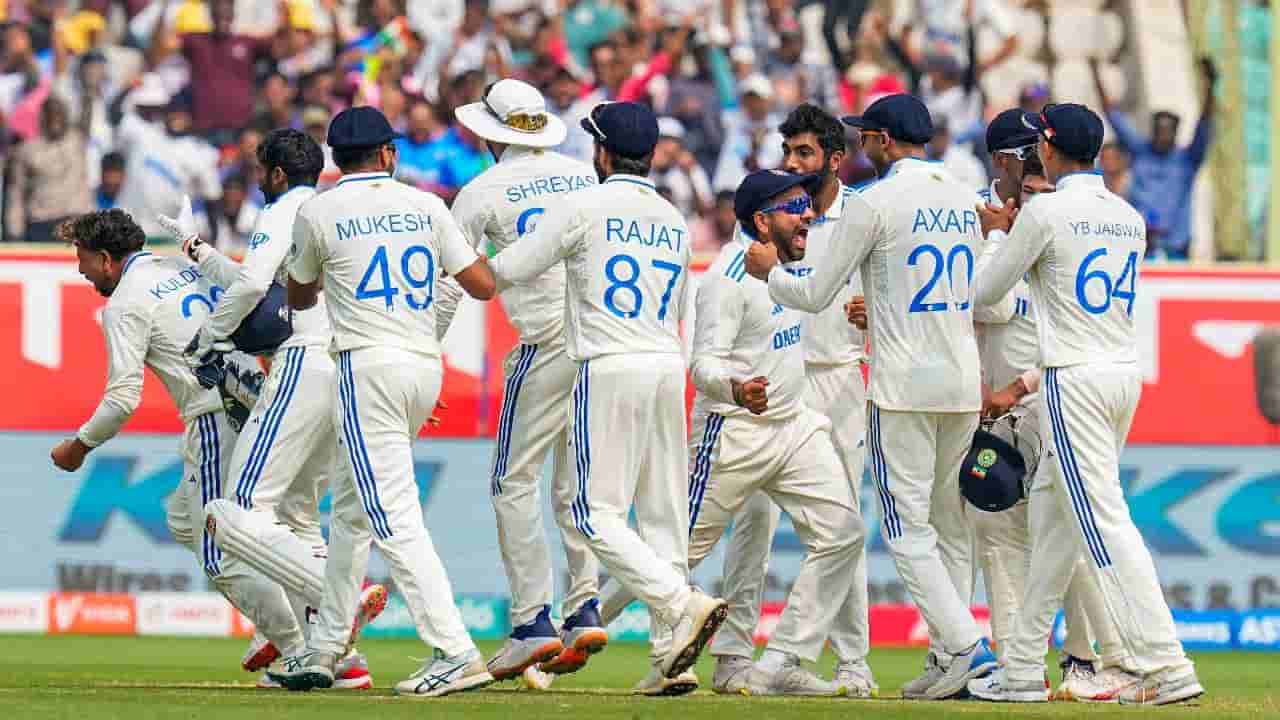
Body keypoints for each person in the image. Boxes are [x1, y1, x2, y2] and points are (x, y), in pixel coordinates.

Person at [744, 93, 996, 701]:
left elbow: (815, 294)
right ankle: (947, 658)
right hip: (962, 382)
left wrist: (769, 272)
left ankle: (967, 649)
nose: (861, 145)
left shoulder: (874, 202)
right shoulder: (963, 196)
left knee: (906, 531)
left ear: (883, 141)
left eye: (866, 136)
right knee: (949, 527)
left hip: (903, 385)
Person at [485, 100, 728, 691]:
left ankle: (680, 603)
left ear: (601, 152)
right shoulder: (671, 217)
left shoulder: (583, 205)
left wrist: (456, 256)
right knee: (664, 516)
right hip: (666, 362)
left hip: (608, 362)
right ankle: (669, 660)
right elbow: (680, 302)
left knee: (591, 513)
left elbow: (509, 269)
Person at [969, 102, 1203, 705]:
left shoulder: (1045, 212)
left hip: (1073, 378)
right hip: (1121, 374)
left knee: (1103, 521)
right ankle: (1022, 669)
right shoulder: (1128, 215)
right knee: (1054, 522)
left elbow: (986, 291)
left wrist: (995, 235)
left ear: (1047, 150)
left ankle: (1165, 664)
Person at [600, 168, 864, 698]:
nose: (809, 215)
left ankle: (782, 660)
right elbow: (702, 365)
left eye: (808, 205)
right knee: (672, 555)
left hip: (793, 426)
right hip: (733, 432)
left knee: (843, 534)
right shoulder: (726, 279)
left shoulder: (791, 267)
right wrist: (737, 388)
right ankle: (578, 629)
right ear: (762, 222)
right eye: (796, 207)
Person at [267, 106, 498, 697]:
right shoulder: (427, 205)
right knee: (351, 512)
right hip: (423, 367)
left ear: (335, 159)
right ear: (389, 154)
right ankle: (326, 646)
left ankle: (455, 649)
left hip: (366, 366)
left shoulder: (319, 210)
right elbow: (481, 285)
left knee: (391, 512)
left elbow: (300, 296)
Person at [159, 129, 386, 691]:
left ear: (278, 174)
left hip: (303, 361)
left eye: (262, 172)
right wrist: (196, 248)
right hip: (352, 365)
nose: (259, 181)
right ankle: (339, 659)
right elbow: (254, 282)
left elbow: (252, 287)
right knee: (299, 516)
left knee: (234, 512)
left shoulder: (284, 210)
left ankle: (338, 599)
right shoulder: (331, 211)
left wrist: (209, 339)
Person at [708, 103, 876, 699]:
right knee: (752, 524)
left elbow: (890, 289)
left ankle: (851, 661)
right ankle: (733, 654)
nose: (792, 163)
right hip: (778, 381)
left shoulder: (863, 214)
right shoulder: (772, 211)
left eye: (804, 153)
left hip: (837, 377)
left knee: (840, 526)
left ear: (835, 159)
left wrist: (875, 314)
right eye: (787, 151)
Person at [449, 79, 604, 688]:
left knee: (512, 483)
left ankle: (531, 620)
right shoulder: (584, 177)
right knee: (575, 486)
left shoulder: (482, 191)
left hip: (543, 344)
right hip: (598, 344)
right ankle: (584, 606)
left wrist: (425, 352)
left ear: (490, 132)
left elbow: (452, 282)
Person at [969, 150, 1135, 703]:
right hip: (1014, 412)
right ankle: (1029, 666)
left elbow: (992, 305)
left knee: (1064, 534)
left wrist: (1014, 389)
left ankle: (1091, 659)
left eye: (1044, 188)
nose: (1038, 197)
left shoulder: (1047, 231)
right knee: (1030, 536)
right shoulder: (1047, 230)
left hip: (1047, 405)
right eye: (1030, 189)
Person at [48, 208, 238, 618]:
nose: (81, 271)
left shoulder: (124, 303)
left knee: (218, 553)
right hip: (258, 405)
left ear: (105, 259)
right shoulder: (180, 267)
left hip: (215, 416)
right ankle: (308, 624)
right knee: (187, 521)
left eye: (82, 259)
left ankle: (305, 635)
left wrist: (79, 447)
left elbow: (122, 400)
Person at [1090, 57, 1216, 260]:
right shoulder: (1141, 152)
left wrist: (1210, 86)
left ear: (1175, 133)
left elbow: (1205, 123)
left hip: (1176, 248)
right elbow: (1112, 115)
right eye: (1159, 130)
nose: (1162, 135)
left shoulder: (1188, 160)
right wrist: (1095, 72)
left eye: (1167, 131)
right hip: (1141, 245)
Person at [4, 95, 94, 242]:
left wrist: (89, 92)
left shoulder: (77, 140)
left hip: (77, 221)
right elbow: (16, 193)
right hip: (42, 224)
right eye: (50, 113)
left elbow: (88, 107)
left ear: (66, 116)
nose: (55, 118)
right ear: (42, 117)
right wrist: (14, 231)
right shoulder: (26, 151)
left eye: (58, 113)